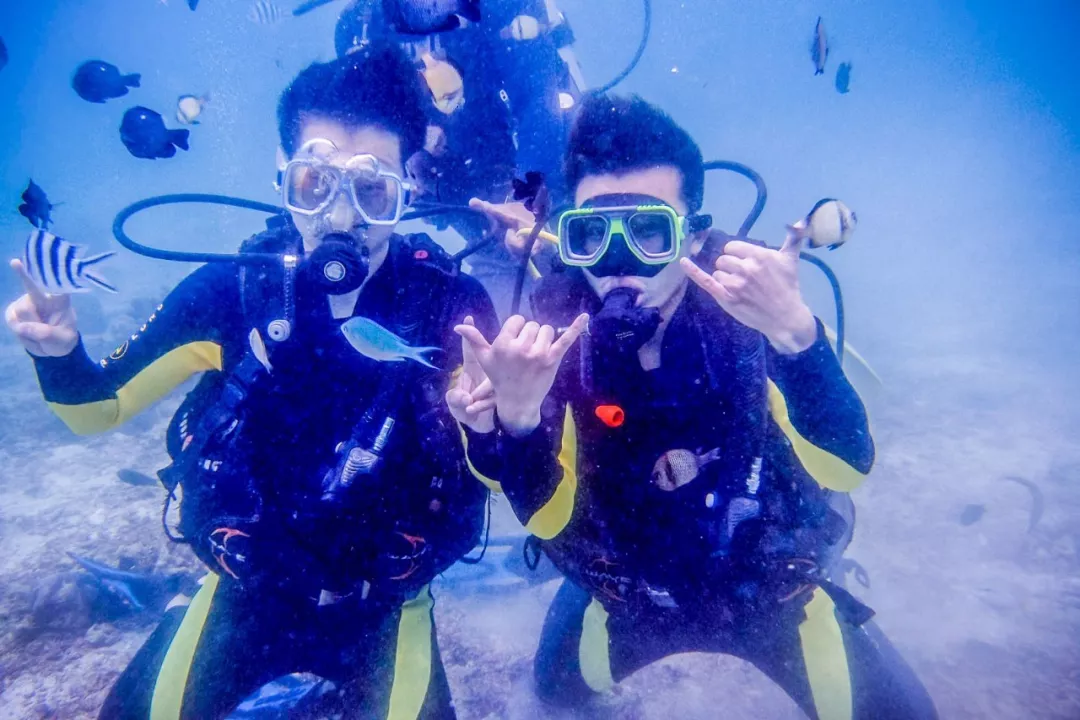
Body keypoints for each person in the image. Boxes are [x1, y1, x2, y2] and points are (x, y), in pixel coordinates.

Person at [5, 46, 497, 720]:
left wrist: (514, 422)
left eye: (372, 189)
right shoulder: (233, 295)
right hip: (247, 591)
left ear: (406, 191)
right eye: (315, 184)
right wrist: (59, 353)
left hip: (385, 605)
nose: (342, 217)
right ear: (282, 179)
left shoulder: (449, 307)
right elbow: (95, 409)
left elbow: (502, 475)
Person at [449, 93, 939, 719]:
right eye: (593, 233)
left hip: (771, 595)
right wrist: (515, 423)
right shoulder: (556, 324)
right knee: (551, 697)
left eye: (650, 231)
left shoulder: (748, 309)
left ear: (695, 233)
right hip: (626, 598)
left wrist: (799, 341)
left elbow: (846, 470)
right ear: (569, 236)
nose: (619, 260)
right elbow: (546, 519)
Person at [335, 0, 585, 318]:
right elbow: (366, 113)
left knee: (562, 259)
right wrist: (411, 150)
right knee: (501, 270)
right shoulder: (359, 25)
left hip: (528, 166)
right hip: (459, 189)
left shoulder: (504, 7)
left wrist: (524, 196)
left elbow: (538, 100)